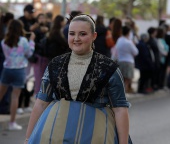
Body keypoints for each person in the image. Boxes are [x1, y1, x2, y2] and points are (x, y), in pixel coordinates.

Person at [25, 14, 132, 144]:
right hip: (54, 136)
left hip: (97, 137)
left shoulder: (109, 68)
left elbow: (120, 109)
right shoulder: (55, 64)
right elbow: (41, 103)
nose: (76, 38)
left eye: (82, 34)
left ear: (94, 36)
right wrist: (28, 139)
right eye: (72, 33)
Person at [0, 19, 35, 130]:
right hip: (19, 70)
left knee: (0, 94)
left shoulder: (4, 41)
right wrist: (32, 41)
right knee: (15, 97)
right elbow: (29, 53)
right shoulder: (23, 41)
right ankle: (12, 123)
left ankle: (12, 123)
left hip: (7, 69)